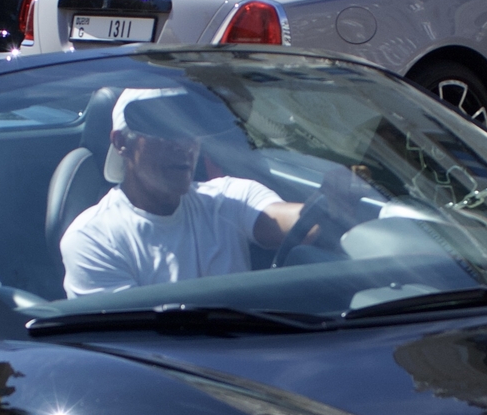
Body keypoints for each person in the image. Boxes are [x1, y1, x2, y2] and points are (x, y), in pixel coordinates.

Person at [59, 89, 363, 296]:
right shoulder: (93, 239)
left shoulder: (229, 196)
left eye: (190, 131)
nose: (184, 145)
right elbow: (130, 350)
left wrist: (333, 200)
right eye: (162, 132)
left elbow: (296, 224)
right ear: (121, 143)